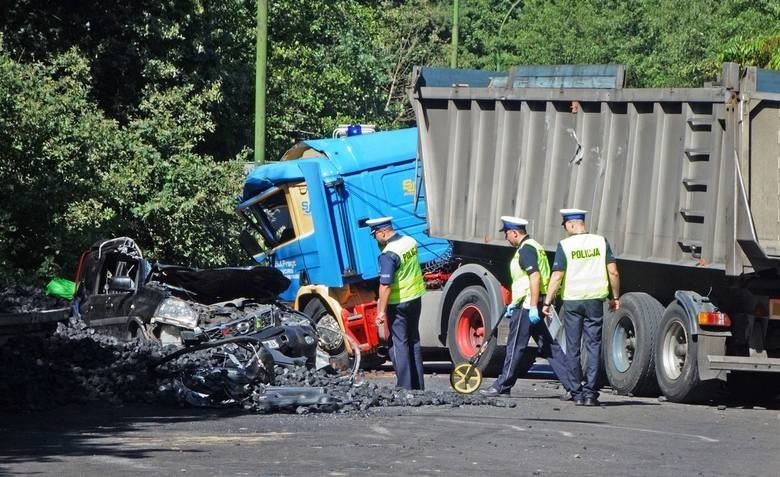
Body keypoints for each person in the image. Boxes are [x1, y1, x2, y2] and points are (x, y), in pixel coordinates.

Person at [480, 216, 577, 397]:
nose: (506, 238)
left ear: (514, 232)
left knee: (515, 345)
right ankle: (574, 387)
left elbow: (534, 277)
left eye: (507, 234)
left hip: (527, 306)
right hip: (534, 302)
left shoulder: (526, 250)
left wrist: (531, 306)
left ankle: (502, 385)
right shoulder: (536, 247)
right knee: (550, 347)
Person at [542, 208, 621, 407]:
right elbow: (613, 272)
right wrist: (615, 297)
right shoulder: (600, 242)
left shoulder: (565, 245)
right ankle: (591, 394)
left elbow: (557, 275)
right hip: (595, 301)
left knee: (573, 347)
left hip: (573, 302)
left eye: (565, 226)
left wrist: (547, 302)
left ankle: (576, 392)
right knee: (593, 346)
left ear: (571, 224)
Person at [367, 216, 425, 390]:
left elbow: (385, 286)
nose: (374, 239)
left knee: (398, 345)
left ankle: (404, 388)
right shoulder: (410, 241)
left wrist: (381, 312)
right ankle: (418, 387)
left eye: (374, 235)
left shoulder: (389, 254)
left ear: (382, 232)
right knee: (414, 341)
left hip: (398, 304)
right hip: (415, 298)